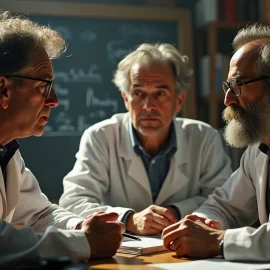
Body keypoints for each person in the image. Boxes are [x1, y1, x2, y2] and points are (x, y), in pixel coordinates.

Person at [59, 43, 232, 236]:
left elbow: (223, 200)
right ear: (126, 99)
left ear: (179, 101)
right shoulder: (100, 136)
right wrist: (128, 219)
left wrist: (175, 212)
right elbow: (74, 201)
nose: (149, 106)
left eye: (160, 93)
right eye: (139, 93)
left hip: (188, 250)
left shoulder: (204, 137)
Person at [0, 11, 124, 265]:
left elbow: (39, 213)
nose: (54, 100)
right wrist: (84, 242)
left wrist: (81, 225)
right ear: (3, 89)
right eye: (43, 86)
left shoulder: (7, 152)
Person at [162, 23, 270, 262]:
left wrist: (218, 240)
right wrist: (200, 222)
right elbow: (226, 206)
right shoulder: (258, 149)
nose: (227, 99)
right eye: (227, 86)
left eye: (238, 85)